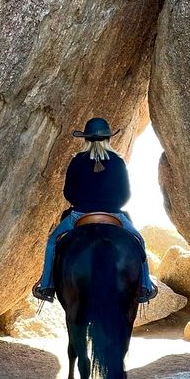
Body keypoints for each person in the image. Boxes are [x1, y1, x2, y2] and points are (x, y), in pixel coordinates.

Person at [32, 117, 158, 304]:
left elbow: (68, 193)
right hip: (113, 215)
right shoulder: (117, 162)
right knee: (139, 241)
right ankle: (145, 287)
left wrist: (83, 202)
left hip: (80, 214)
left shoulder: (76, 161)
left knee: (52, 242)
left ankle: (46, 285)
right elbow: (125, 195)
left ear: (86, 139)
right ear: (108, 139)